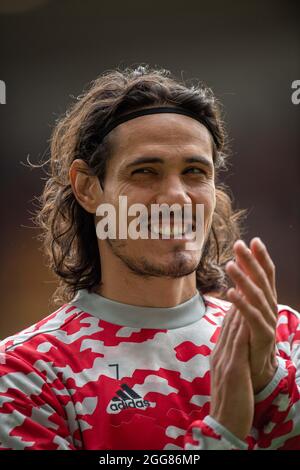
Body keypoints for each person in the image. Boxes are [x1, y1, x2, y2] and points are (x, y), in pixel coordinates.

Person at [0, 66, 299, 450]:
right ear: (88, 188)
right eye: (145, 172)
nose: (176, 196)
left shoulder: (285, 338)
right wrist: (221, 436)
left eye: (194, 171)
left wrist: (271, 383)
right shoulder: (26, 375)